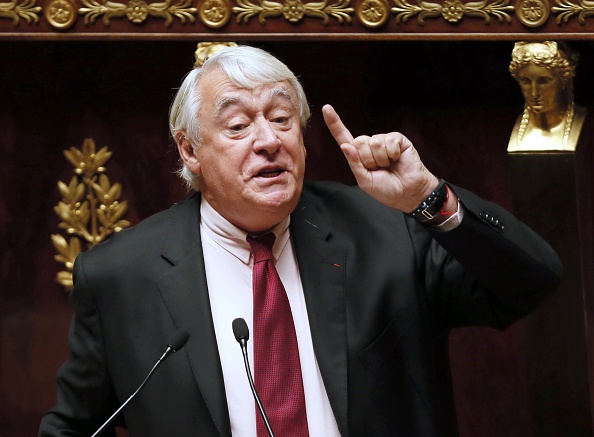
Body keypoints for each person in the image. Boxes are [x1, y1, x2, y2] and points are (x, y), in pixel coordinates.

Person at [39, 45, 562, 437]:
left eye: (282, 118)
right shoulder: (121, 276)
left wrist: (430, 198)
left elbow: (532, 280)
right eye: (239, 125)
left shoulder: (387, 227)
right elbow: (73, 427)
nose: (269, 140)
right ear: (191, 150)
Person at [508, 40, 586, 152]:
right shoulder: (513, 128)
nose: (534, 93)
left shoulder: (584, 123)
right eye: (526, 81)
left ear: (564, 80)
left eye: (543, 81)